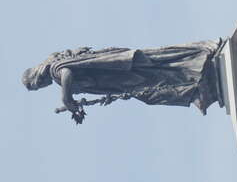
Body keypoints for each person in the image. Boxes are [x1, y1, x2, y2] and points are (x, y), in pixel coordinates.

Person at [22, 40, 223, 123]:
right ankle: (195, 86)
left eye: (36, 85)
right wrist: (75, 106)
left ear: (36, 73)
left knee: (158, 71)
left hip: (118, 68)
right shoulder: (56, 70)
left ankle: (198, 67)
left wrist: (67, 98)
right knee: (154, 82)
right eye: (37, 89)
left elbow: (67, 72)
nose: (40, 87)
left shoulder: (55, 68)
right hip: (117, 78)